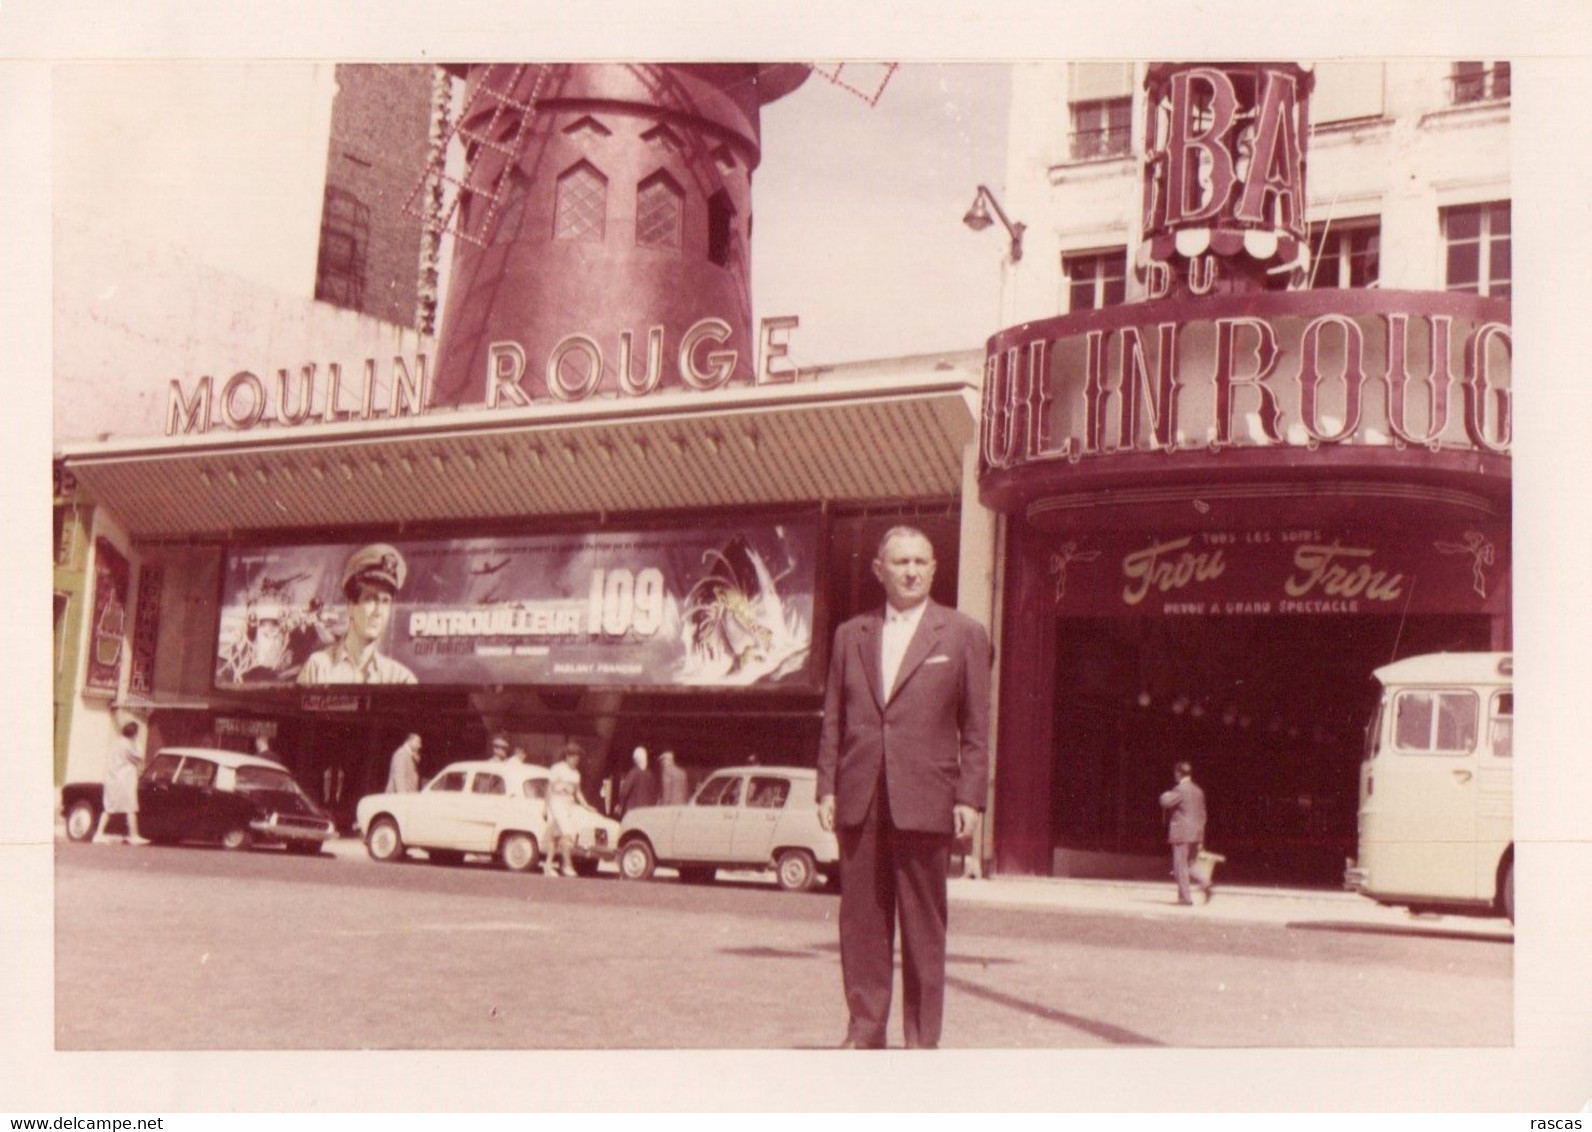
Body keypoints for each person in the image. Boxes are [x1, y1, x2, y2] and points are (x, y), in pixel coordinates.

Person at [816, 526, 991, 1050]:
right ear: (879, 569)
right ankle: (865, 1029)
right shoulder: (852, 635)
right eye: (900, 562)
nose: (911, 571)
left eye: (920, 561)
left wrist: (970, 796)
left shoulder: (963, 634)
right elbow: (834, 718)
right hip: (861, 796)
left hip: (927, 799)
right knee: (862, 923)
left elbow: (978, 727)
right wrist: (827, 785)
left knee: (923, 927)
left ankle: (920, 1041)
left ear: (935, 568)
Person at [297, 543, 417, 685]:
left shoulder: (401, 679)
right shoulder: (319, 667)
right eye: (370, 599)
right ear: (350, 605)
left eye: (385, 601)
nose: (379, 612)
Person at [1159, 761, 1210, 906]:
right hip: (1196, 833)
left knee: (1180, 866)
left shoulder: (1180, 789)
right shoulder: (1198, 791)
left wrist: (1165, 794)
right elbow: (1203, 814)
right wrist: (1201, 836)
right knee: (1190, 865)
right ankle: (1205, 882)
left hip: (1182, 833)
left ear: (1178, 773)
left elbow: (1165, 802)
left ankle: (1185, 898)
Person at [94, 721, 151, 846]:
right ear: (134, 733)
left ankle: (98, 833)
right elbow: (140, 757)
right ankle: (133, 835)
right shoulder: (128, 746)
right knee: (130, 807)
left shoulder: (116, 743)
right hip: (125, 780)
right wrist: (138, 742)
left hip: (112, 779)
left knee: (109, 807)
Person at [545, 741, 592, 877]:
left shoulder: (576, 774)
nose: (576, 759)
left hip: (568, 805)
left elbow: (578, 792)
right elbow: (549, 788)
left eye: (578, 757)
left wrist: (586, 805)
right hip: (556, 803)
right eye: (574, 756)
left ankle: (548, 866)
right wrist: (545, 807)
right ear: (567, 757)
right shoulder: (557, 769)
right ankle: (567, 865)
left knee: (555, 837)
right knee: (568, 833)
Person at [616, 746, 659, 818]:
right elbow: (654, 795)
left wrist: (619, 804)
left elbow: (624, 791)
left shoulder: (633, 772)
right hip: (646, 812)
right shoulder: (651, 775)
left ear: (635, 759)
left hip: (632, 811)